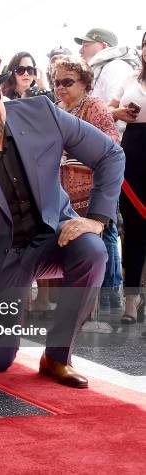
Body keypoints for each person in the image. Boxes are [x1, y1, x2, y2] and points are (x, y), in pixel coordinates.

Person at [0, 56, 124, 388]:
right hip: (0, 262)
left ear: (0, 93)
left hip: (53, 237)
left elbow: (110, 154)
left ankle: (57, 357)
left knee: (93, 250)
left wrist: (96, 219)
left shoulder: (42, 114)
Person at [51, 56, 123, 313]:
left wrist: (72, 151)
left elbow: (112, 147)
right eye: (56, 82)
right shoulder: (56, 109)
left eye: (67, 82)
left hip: (95, 197)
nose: (60, 87)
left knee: (103, 250)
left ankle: (106, 309)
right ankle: (79, 313)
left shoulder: (96, 106)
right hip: (66, 199)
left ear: (84, 83)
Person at [108, 31, 146, 324]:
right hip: (132, 153)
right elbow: (107, 109)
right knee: (132, 229)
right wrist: (119, 112)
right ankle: (131, 301)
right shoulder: (130, 79)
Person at [75, 28, 138, 104]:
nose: (80, 51)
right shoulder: (101, 67)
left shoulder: (116, 66)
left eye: (86, 45)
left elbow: (116, 108)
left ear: (104, 46)